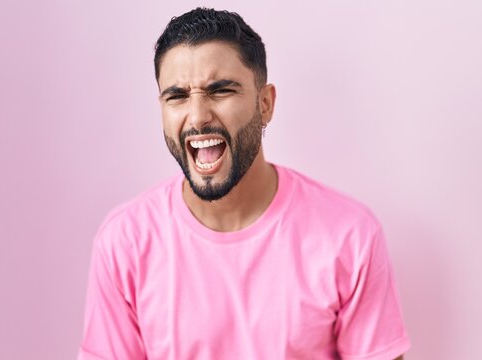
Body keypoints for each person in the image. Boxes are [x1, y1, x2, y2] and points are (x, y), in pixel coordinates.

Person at [77, 7, 411, 360]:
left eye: (220, 91)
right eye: (176, 96)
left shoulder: (349, 235)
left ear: (265, 104)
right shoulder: (124, 242)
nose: (198, 117)